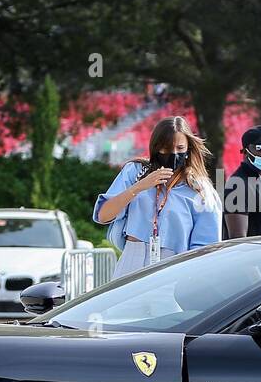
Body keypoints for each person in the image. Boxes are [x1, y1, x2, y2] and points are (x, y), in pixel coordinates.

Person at [94, 115, 222, 278]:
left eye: (180, 148)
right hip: (133, 256)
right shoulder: (135, 171)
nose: (174, 154)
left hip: (175, 264)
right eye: (166, 149)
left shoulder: (200, 189)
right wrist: (139, 187)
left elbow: (206, 246)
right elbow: (103, 214)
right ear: (156, 148)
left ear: (188, 149)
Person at [223, 125, 261, 239]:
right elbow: (237, 239)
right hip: (251, 256)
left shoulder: (260, 180)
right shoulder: (238, 185)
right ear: (246, 151)